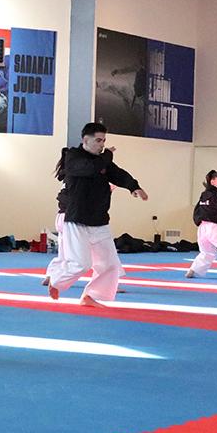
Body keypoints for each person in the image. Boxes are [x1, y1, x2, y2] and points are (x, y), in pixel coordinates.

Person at [48, 123, 148, 307]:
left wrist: (134, 187)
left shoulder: (103, 161)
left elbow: (119, 174)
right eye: (98, 140)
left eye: (104, 141)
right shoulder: (74, 157)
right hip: (77, 219)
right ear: (85, 140)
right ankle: (56, 281)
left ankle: (91, 296)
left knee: (110, 265)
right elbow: (90, 169)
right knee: (81, 264)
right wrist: (107, 155)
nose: (102, 144)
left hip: (100, 220)